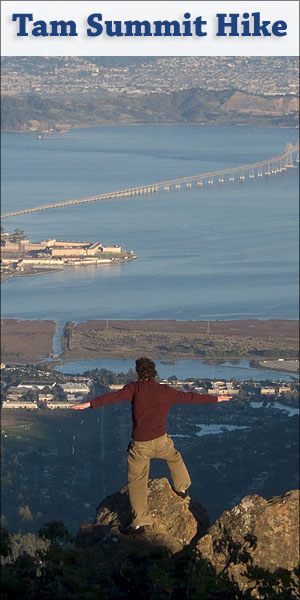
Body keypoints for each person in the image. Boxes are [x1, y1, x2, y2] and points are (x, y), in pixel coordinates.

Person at [72, 357, 231, 534]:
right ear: (154, 372)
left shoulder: (134, 389)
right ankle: (182, 487)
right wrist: (216, 398)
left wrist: (88, 404)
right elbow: (191, 397)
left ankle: (140, 521)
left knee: (137, 480)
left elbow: (112, 397)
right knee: (174, 457)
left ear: (138, 373)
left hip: (140, 445)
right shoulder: (165, 391)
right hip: (161, 441)